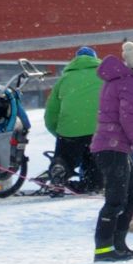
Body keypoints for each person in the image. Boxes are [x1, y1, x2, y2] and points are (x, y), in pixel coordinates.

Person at [92, 41, 133, 263]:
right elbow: (128, 117)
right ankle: (103, 249)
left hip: (116, 146)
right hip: (111, 146)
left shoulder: (128, 83)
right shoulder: (127, 84)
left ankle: (118, 243)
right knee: (116, 200)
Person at [45, 46, 105, 190]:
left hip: (70, 129)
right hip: (98, 130)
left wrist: (59, 133)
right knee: (94, 161)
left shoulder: (64, 79)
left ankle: (60, 168)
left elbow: (51, 112)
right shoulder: (104, 77)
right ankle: (94, 182)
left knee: (65, 155)